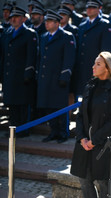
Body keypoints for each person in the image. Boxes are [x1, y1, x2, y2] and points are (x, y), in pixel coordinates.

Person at [70, 51, 111, 198]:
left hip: (102, 145)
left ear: (108, 68)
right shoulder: (89, 86)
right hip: (84, 144)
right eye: (94, 63)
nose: (93, 66)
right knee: (84, 180)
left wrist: (93, 141)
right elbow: (80, 115)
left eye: (98, 64)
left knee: (103, 185)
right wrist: (82, 139)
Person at [37, 9, 76, 143]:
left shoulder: (66, 36)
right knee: (49, 106)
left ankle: (63, 132)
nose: (46, 24)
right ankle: (53, 131)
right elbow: (40, 57)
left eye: (49, 21)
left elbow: (69, 58)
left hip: (59, 78)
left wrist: (65, 76)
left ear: (57, 23)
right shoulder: (43, 37)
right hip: (46, 78)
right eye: (46, 21)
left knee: (61, 107)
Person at [1, 6, 38, 137]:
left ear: (23, 19)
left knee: (22, 104)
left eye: (16, 17)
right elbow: (4, 56)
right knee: (12, 104)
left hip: (22, 76)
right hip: (9, 75)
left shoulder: (29, 33)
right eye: (12, 17)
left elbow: (31, 56)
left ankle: (23, 129)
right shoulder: (7, 33)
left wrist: (28, 73)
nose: (14, 20)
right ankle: (13, 129)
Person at [74, 0, 111, 97]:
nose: (89, 10)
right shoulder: (82, 25)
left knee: (96, 94)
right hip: (83, 65)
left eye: (92, 8)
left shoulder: (104, 24)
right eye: (88, 8)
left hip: (96, 64)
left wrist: (102, 65)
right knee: (83, 93)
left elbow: (106, 49)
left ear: (98, 9)